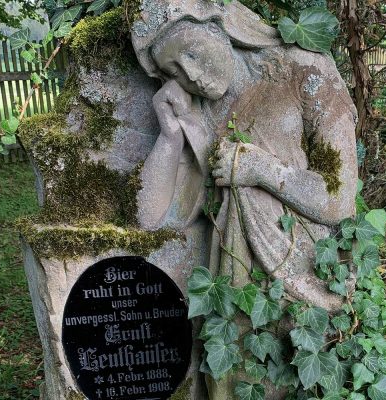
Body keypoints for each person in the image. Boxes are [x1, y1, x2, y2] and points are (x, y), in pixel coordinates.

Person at [131, 0, 358, 397]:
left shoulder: (304, 69)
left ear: (219, 25)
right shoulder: (199, 113)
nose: (191, 74)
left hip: (304, 277)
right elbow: (152, 217)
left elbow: (339, 200)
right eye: (173, 70)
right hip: (234, 293)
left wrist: (264, 171)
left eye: (191, 52)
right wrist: (169, 136)